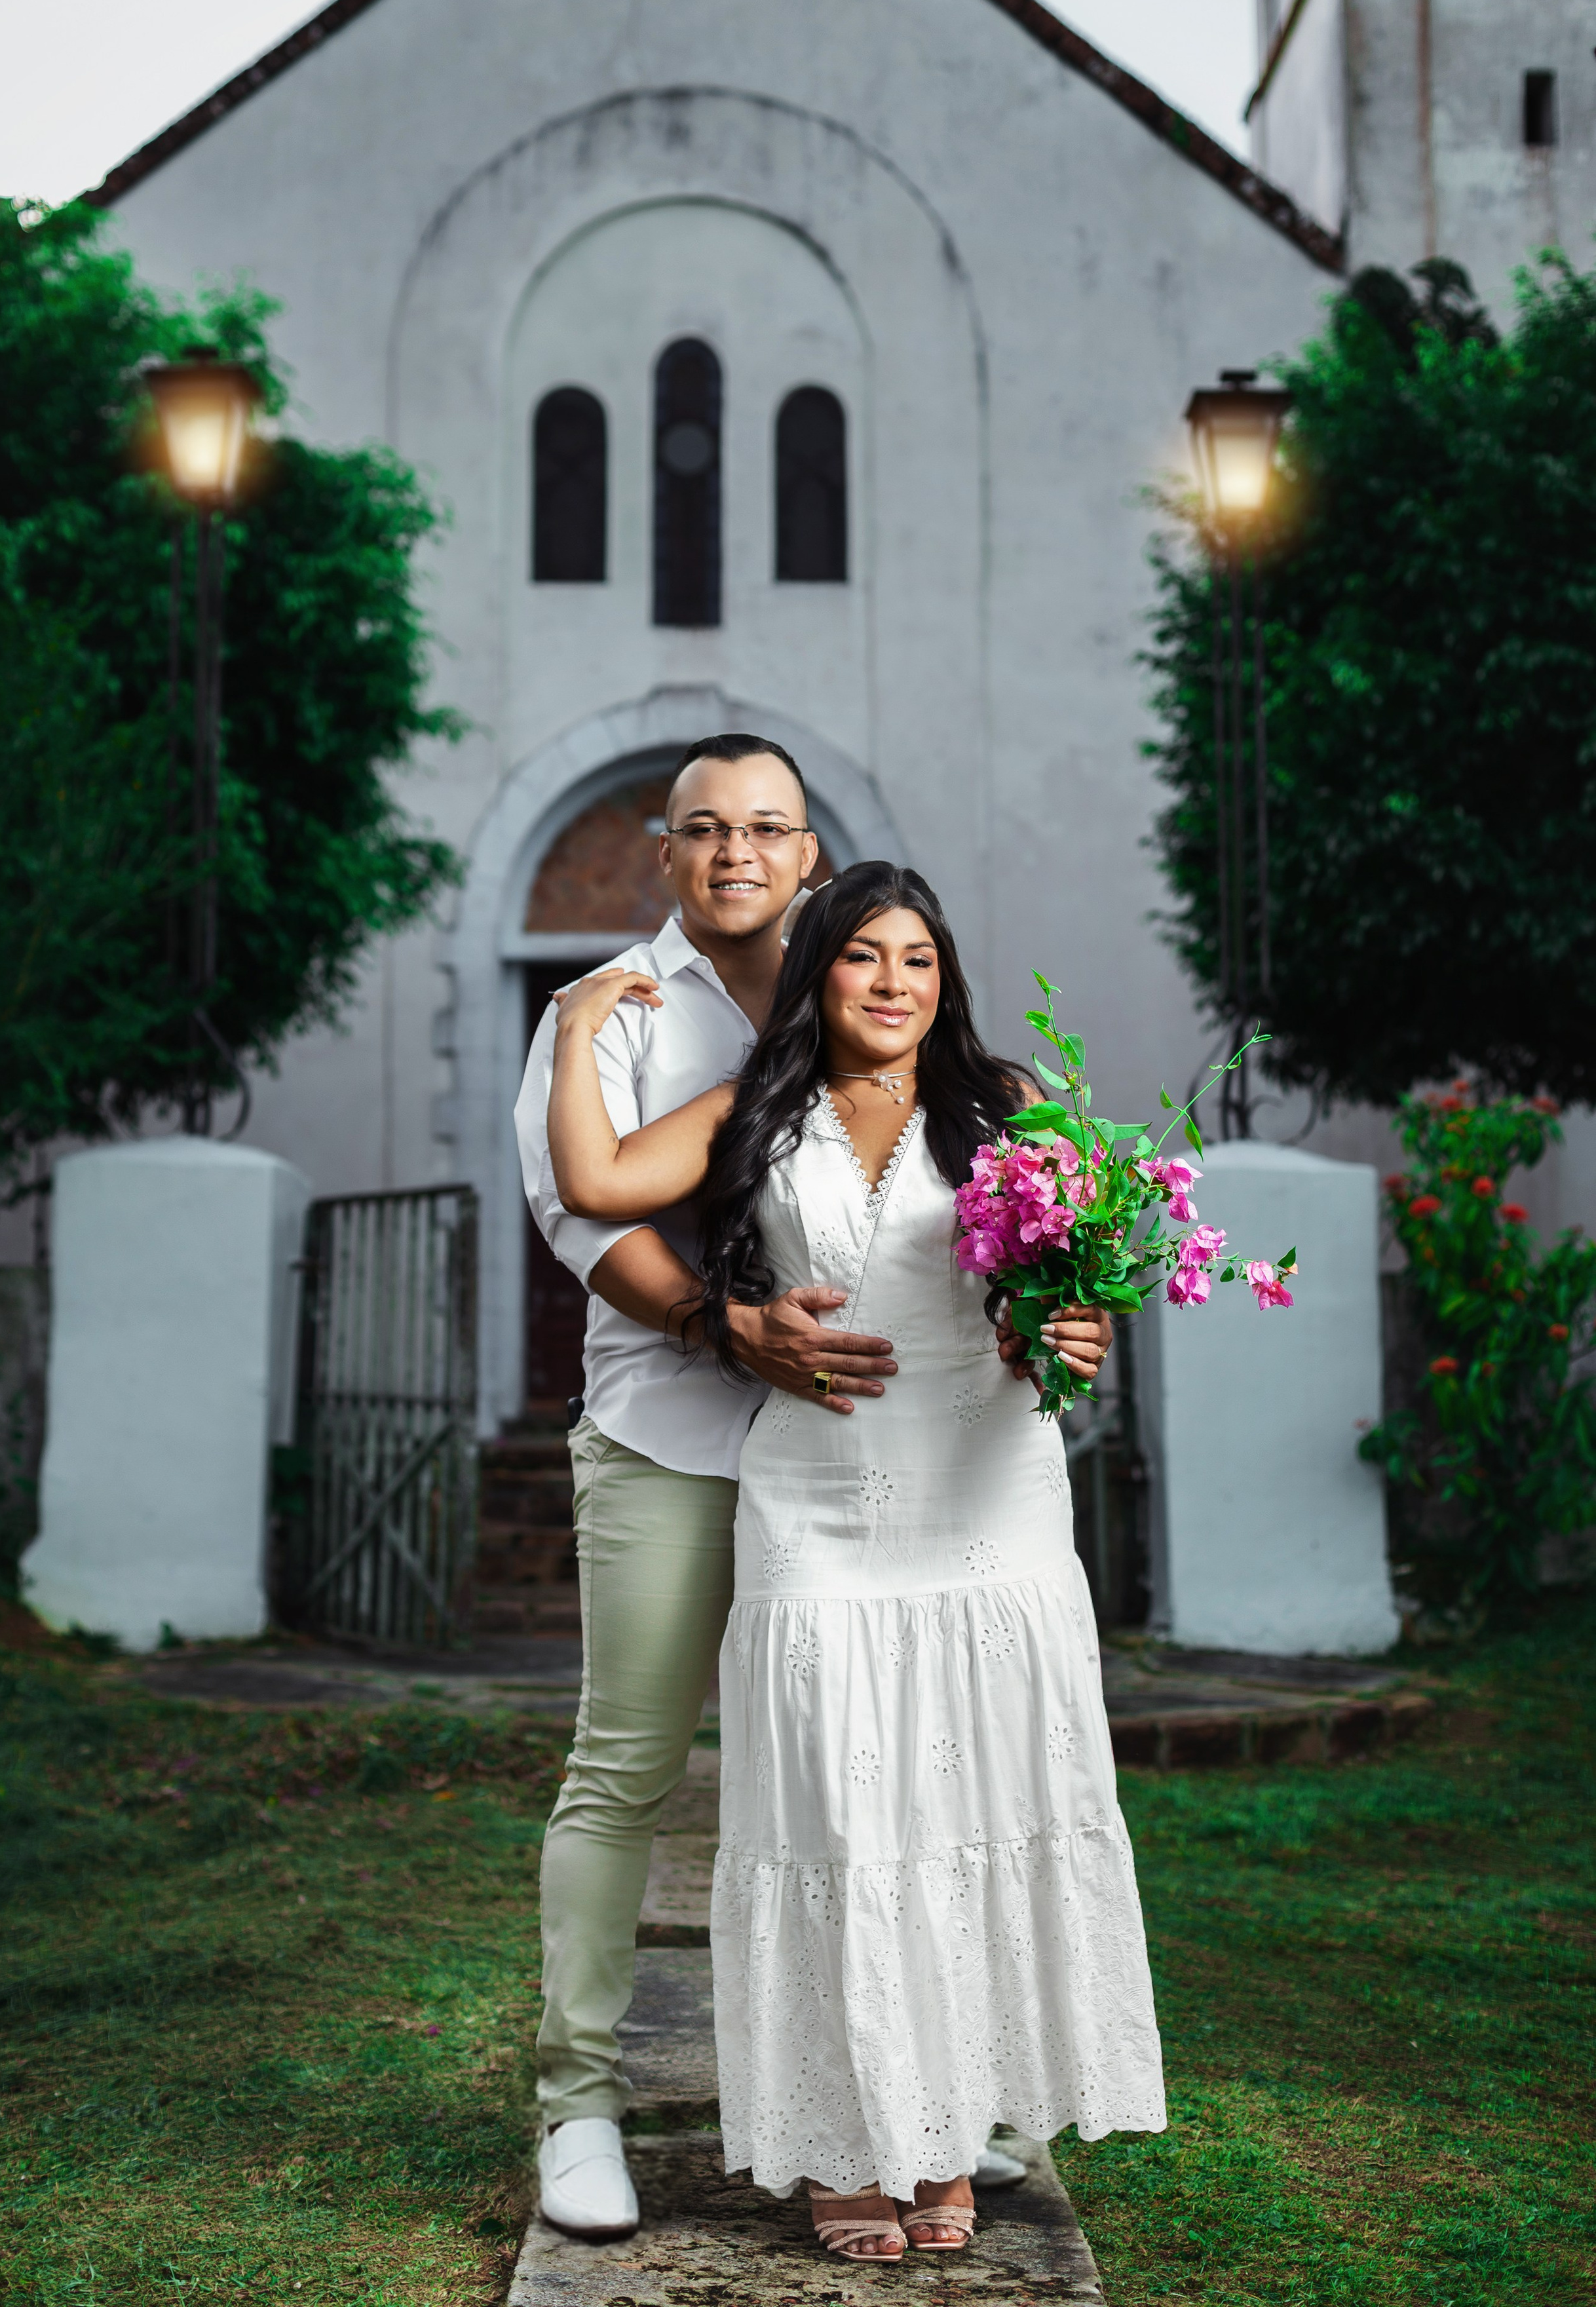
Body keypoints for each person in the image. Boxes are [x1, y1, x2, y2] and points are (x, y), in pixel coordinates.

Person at [514, 738, 1114, 2240]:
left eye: (765, 827)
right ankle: (578, 2102)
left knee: (925, 1784)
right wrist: (725, 1327)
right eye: (704, 827)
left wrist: (1070, 1319)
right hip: (681, 1435)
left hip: (905, 1473)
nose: (735, 851)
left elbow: (1045, 1251)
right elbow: (583, 1211)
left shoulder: (907, 1033)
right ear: (664, 850)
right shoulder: (616, 1011)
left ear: (805, 857)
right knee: (641, 1771)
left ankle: (933, 2101)